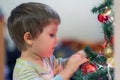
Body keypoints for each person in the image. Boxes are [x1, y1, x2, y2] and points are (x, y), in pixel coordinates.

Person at [7, 2, 88, 80]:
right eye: (52, 35)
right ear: (29, 38)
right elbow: (67, 71)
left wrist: (75, 59)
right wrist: (68, 71)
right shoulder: (24, 71)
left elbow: (61, 64)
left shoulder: (46, 58)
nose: (57, 39)